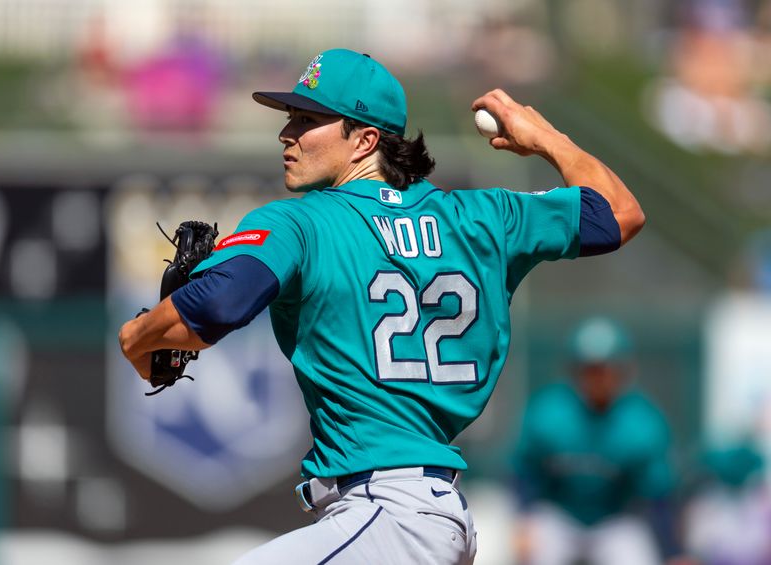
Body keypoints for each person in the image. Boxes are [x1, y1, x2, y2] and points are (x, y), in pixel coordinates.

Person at [118, 48, 644, 564]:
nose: (287, 134)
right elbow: (619, 214)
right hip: (424, 515)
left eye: (307, 119)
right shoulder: (486, 217)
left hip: (386, 514)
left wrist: (139, 336)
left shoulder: (304, 222)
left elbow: (215, 304)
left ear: (365, 139)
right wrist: (547, 139)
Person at [511, 317, 679, 565]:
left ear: (623, 371)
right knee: (538, 550)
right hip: (558, 515)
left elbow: (658, 496)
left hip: (615, 519)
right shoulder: (550, 411)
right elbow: (523, 473)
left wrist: (674, 551)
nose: (598, 377)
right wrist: (523, 520)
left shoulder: (642, 421)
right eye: (590, 368)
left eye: (606, 368)